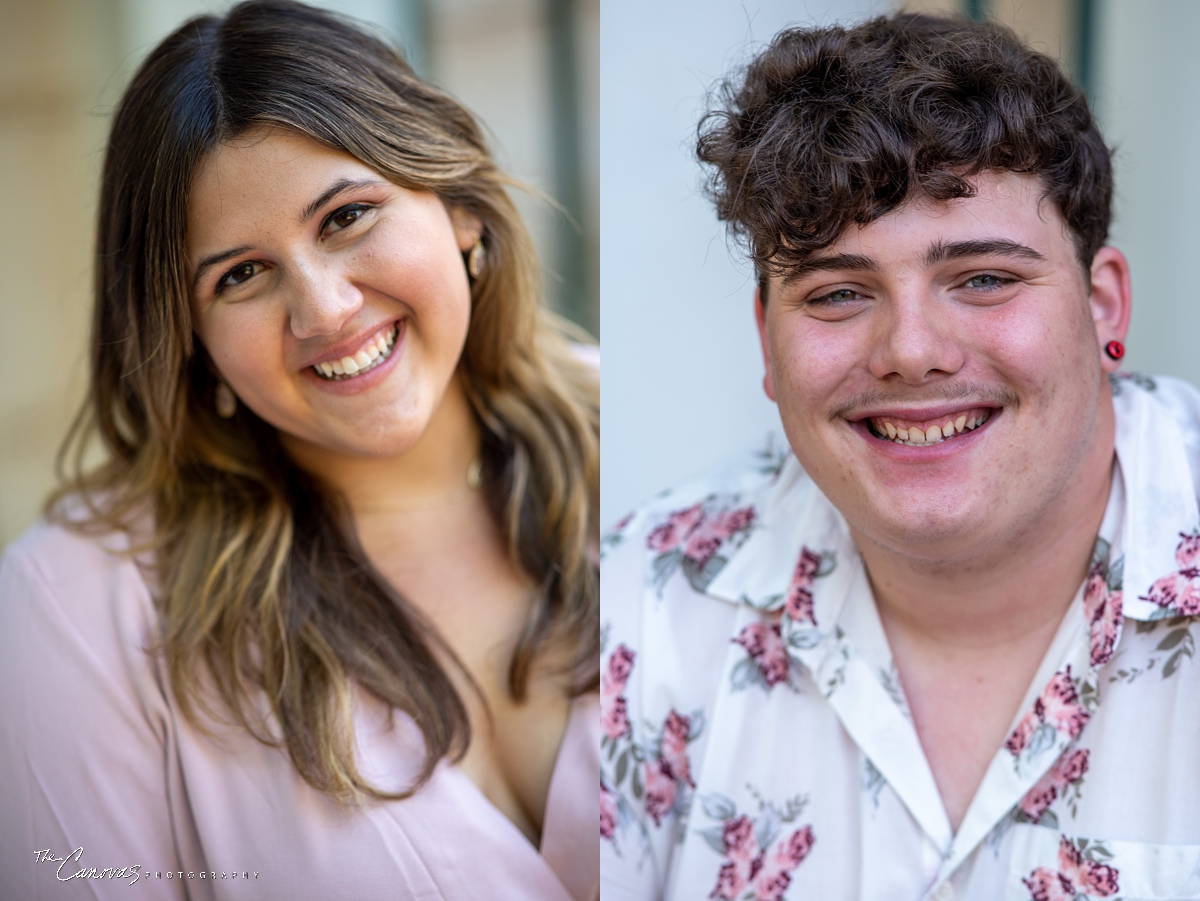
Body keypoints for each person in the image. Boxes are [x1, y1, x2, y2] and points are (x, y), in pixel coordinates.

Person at [0, 2, 598, 898]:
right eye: (239, 274)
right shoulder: (80, 602)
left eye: (348, 216)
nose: (323, 311)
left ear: (461, 210)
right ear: (188, 335)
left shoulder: (644, 431)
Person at [600, 12, 1200, 900]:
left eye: (985, 278)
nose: (911, 350)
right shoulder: (636, 604)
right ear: (767, 343)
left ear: (1104, 304)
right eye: (841, 292)